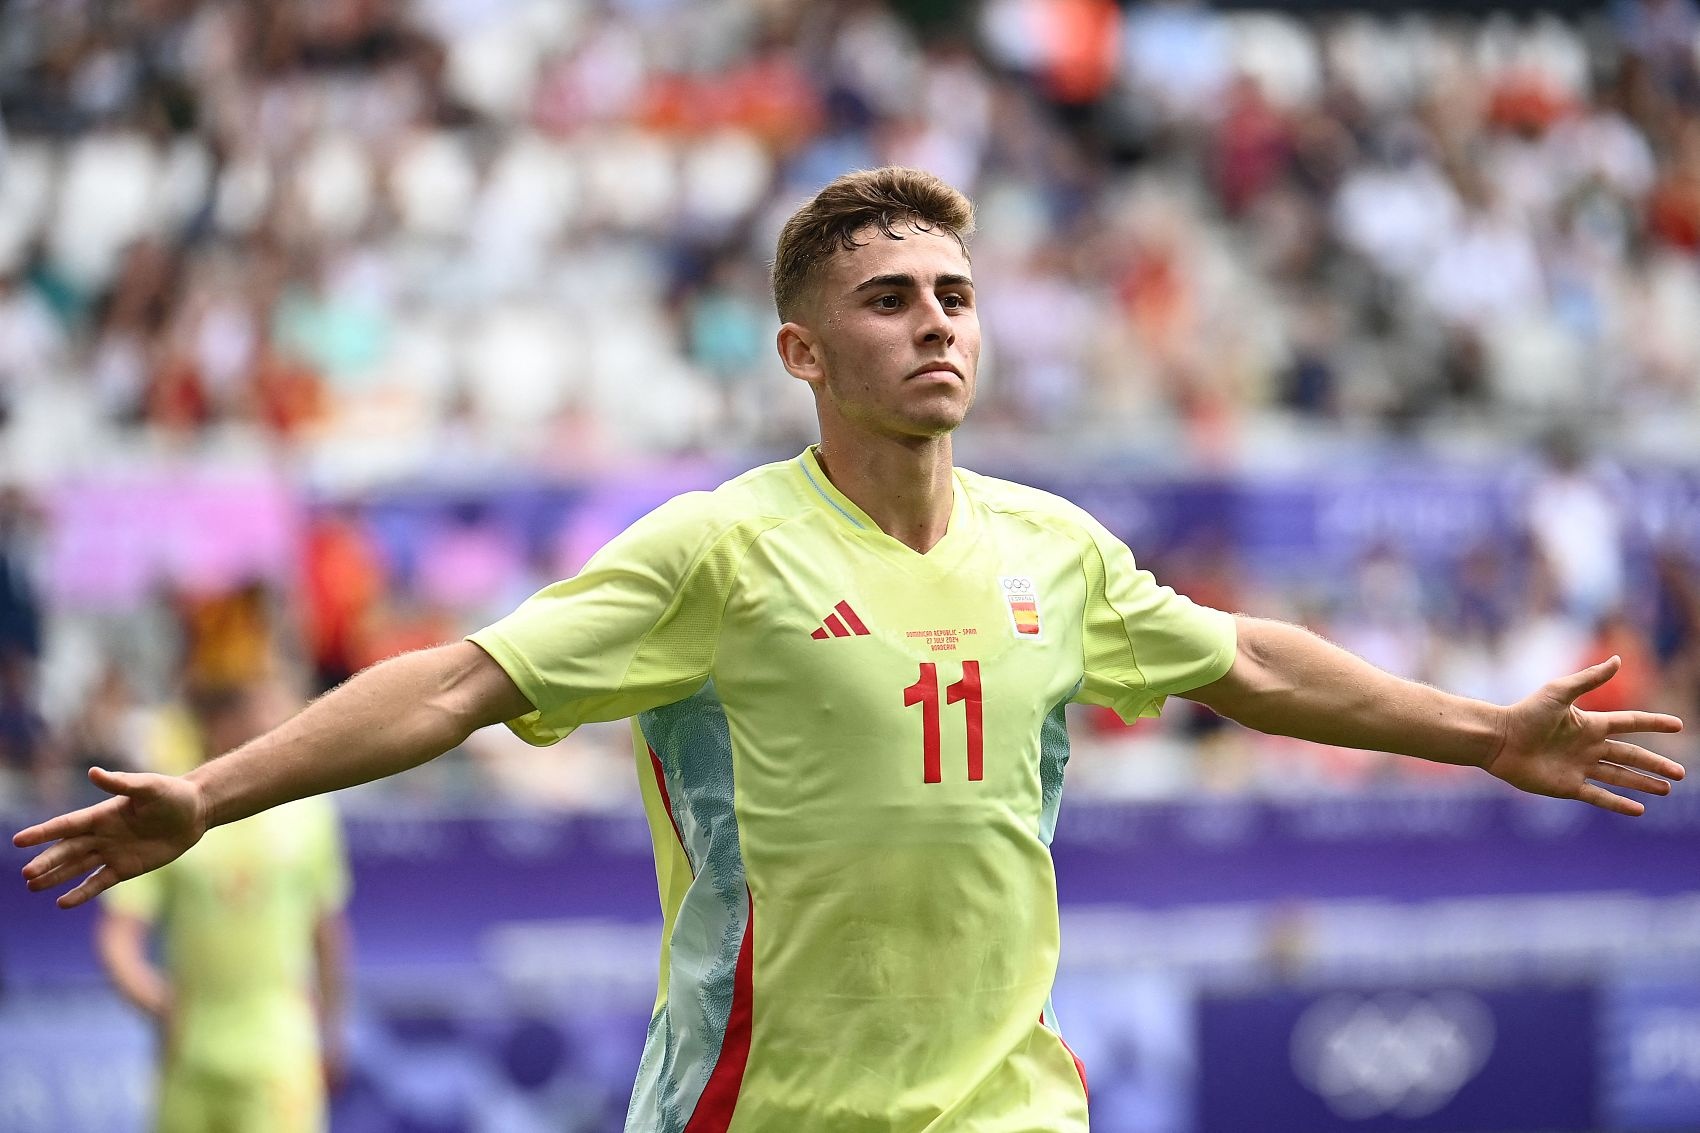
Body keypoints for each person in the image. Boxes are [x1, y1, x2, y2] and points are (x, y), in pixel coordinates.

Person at [14, 167, 1686, 1133]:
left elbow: (1245, 660)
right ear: (803, 351)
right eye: (891, 299)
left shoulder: (1055, 548)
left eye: (955, 293)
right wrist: (211, 794)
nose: (937, 319)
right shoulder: (718, 550)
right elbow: (456, 680)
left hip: (1011, 1105)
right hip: (766, 1108)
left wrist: (1485, 731)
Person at [95, 679, 350, 1133]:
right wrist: (155, 1000)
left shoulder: (307, 814)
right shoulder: (172, 813)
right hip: (188, 1059)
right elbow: (120, 934)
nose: (270, 720)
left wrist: (331, 1034)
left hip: (278, 1056)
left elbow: (327, 933)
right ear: (215, 721)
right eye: (253, 706)